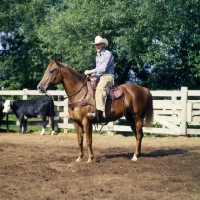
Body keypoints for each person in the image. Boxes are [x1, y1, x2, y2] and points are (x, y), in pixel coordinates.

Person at [84, 36, 114, 119]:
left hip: (108, 76)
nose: (97, 46)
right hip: (99, 76)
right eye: (95, 45)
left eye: (98, 44)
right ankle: (92, 106)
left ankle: (100, 111)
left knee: (100, 89)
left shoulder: (108, 54)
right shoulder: (97, 55)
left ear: (103, 45)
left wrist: (91, 71)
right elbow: (98, 69)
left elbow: (103, 68)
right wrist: (91, 75)